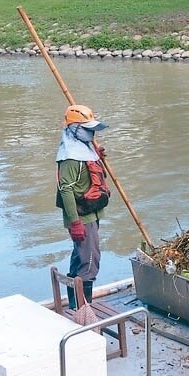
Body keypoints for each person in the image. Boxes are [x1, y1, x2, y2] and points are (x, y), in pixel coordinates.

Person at [56, 104, 111, 310]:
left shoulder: (85, 149)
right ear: (74, 128)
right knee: (89, 261)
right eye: (86, 128)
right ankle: (83, 309)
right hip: (82, 217)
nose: (91, 132)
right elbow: (66, 189)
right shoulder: (70, 157)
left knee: (80, 257)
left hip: (91, 212)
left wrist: (99, 158)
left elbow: (91, 176)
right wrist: (75, 222)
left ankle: (74, 305)